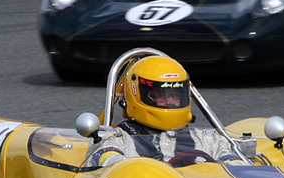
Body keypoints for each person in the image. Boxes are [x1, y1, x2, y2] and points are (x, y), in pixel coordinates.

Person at [89, 54, 244, 167]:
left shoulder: (208, 139)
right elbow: (110, 163)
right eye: (159, 95)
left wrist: (233, 163)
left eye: (175, 95)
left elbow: (236, 165)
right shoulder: (115, 139)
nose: (170, 101)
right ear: (136, 93)